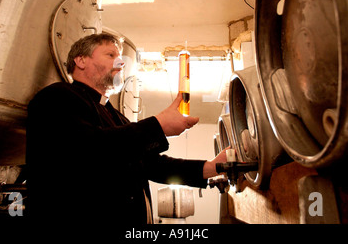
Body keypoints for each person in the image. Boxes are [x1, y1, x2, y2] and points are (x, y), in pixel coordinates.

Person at [26, 34, 228, 227]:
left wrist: (211, 167)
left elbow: (151, 164)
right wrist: (158, 125)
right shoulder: (56, 97)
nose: (121, 63)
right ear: (81, 60)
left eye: (121, 57)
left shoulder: (115, 115)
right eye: (110, 55)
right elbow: (90, 149)